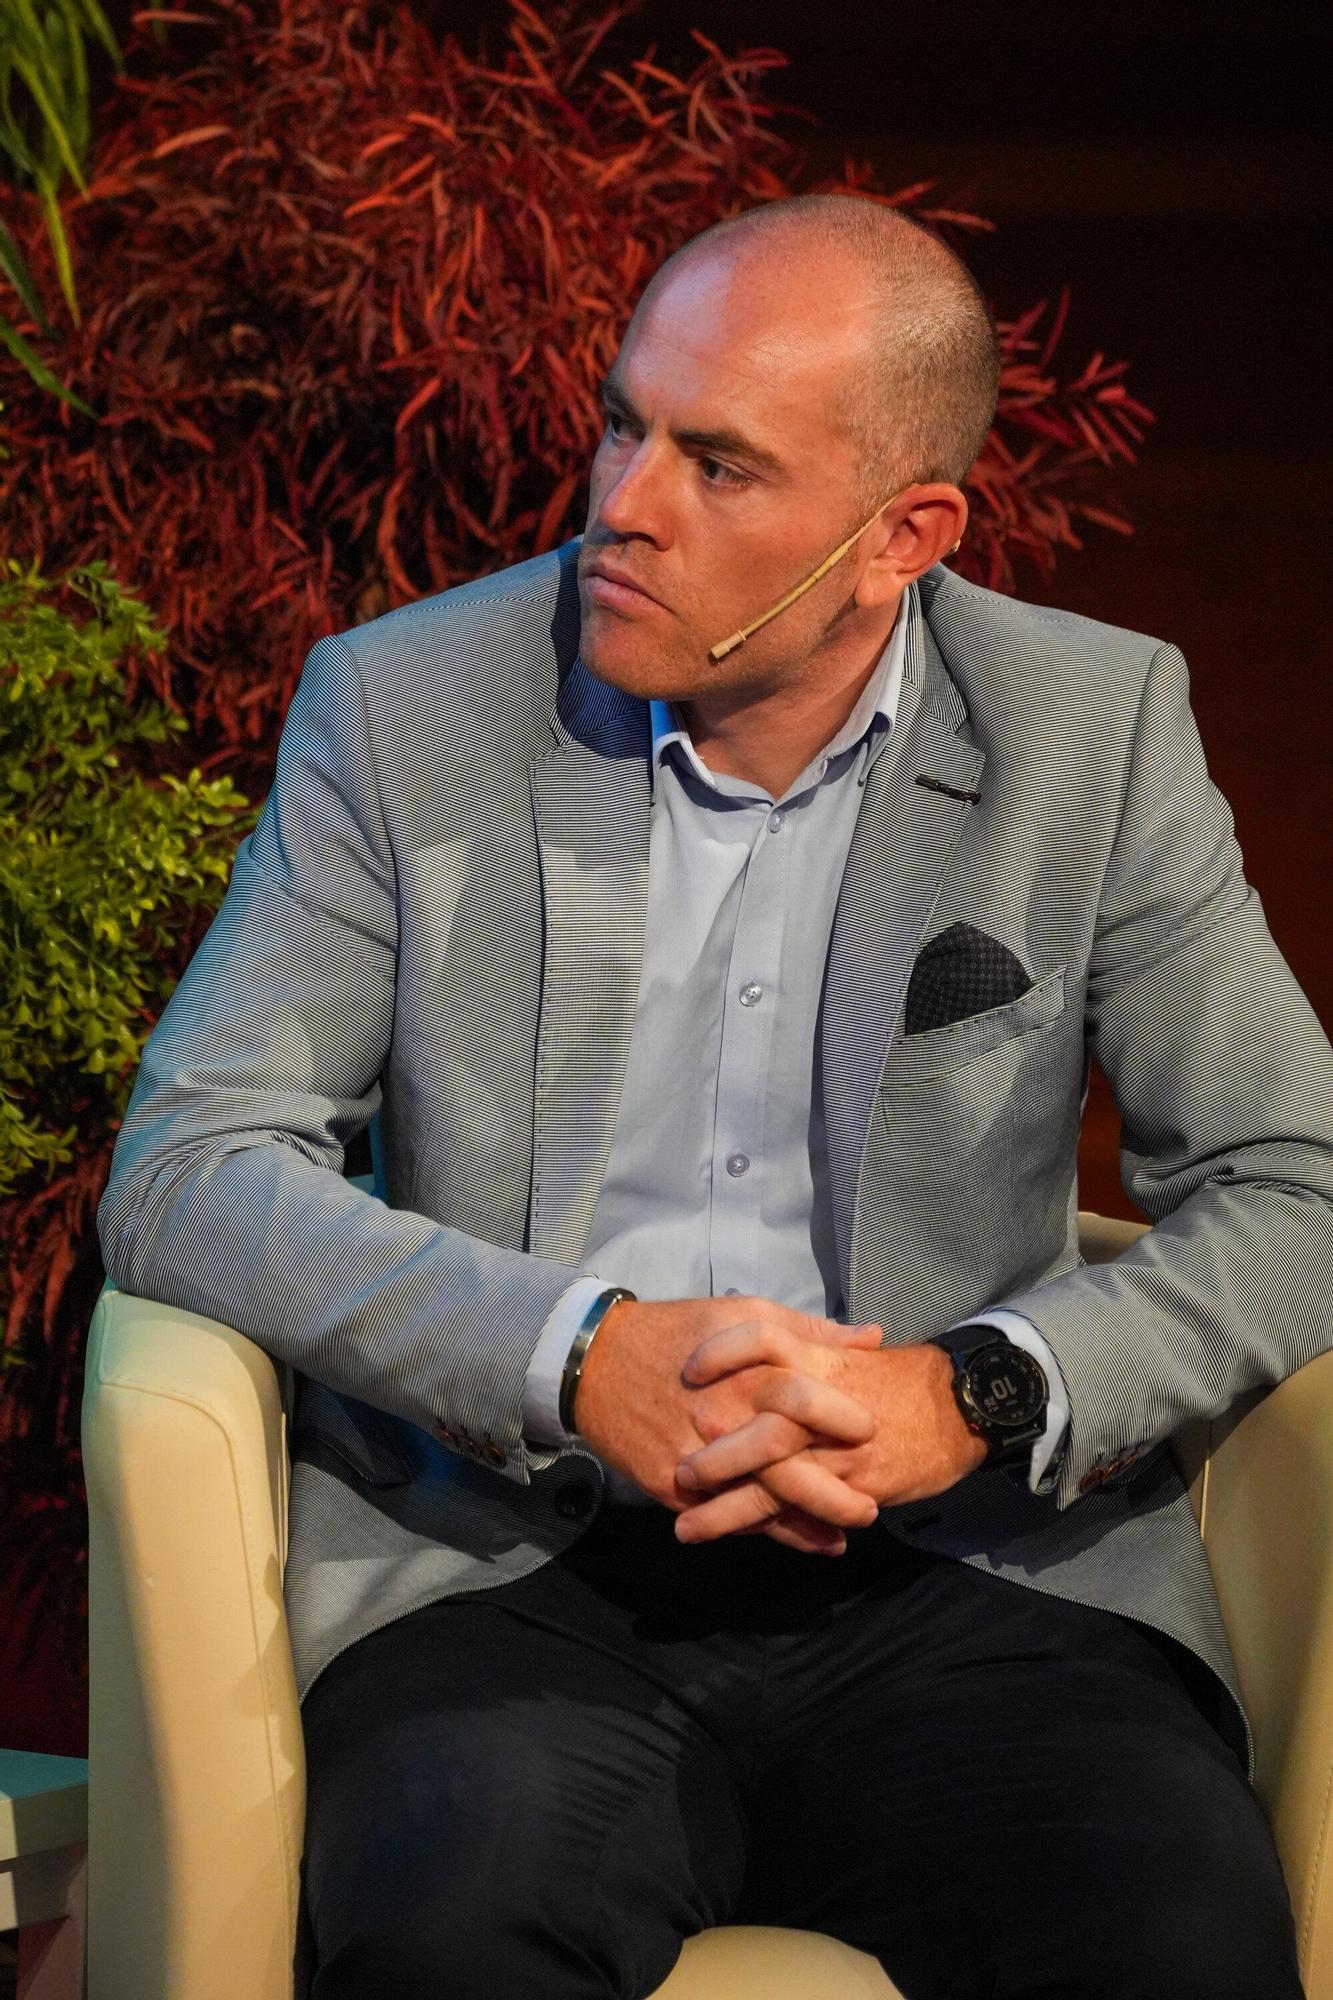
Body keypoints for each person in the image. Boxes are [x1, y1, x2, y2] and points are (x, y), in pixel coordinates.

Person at [96, 193, 1332, 1998]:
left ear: (903, 534)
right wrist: (575, 1355)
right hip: (513, 1573)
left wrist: (971, 1393)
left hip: (972, 1576)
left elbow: (1298, 1183)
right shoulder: (407, 705)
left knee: (1175, 1931)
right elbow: (190, 1163)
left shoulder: (1090, 728)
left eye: (719, 464)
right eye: (624, 424)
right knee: (449, 1925)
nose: (624, 501)